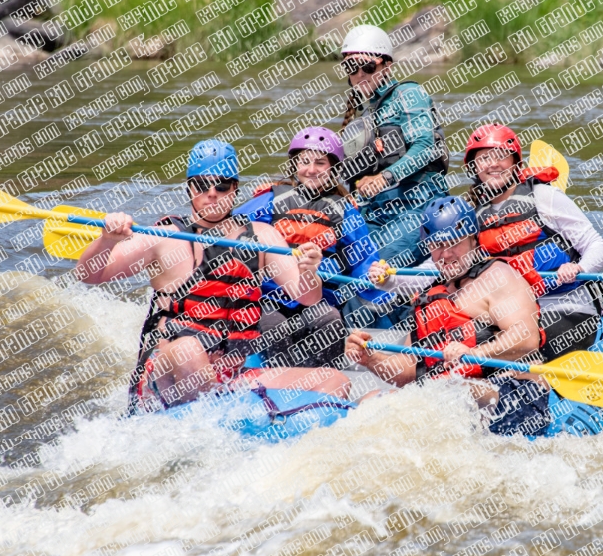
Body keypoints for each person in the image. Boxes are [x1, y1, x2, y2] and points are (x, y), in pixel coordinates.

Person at [75, 139, 351, 413]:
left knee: (335, 382)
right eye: (201, 184)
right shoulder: (165, 236)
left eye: (221, 185)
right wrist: (106, 240)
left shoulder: (260, 236)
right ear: (189, 188)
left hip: (229, 376)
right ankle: (228, 415)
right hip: (168, 368)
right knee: (189, 352)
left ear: (234, 189)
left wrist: (309, 270)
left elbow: (308, 296)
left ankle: (251, 419)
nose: (211, 193)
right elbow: (89, 274)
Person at [345, 196, 553, 437]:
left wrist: (474, 354)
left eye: (455, 242)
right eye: (437, 245)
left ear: (474, 240)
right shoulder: (433, 294)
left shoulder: (498, 277)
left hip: (515, 395)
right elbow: (408, 371)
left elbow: (527, 339)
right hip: (449, 395)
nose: (446, 253)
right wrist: (369, 358)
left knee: (451, 391)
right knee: (372, 402)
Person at [232, 127, 389, 367]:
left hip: (319, 300)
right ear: (295, 163)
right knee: (274, 325)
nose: (312, 170)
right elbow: (232, 227)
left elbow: (362, 260)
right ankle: (276, 384)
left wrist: (376, 278)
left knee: (330, 320)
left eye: (320, 163)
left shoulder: (343, 210)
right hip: (272, 299)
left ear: (333, 168)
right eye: (305, 162)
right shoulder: (269, 200)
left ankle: (324, 387)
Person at [462, 123, 603, 356]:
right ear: (474, 167)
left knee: (533, 345)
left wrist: (578, 266)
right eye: (484, 158)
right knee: (468, 338)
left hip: (565, 306)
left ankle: (527, 381)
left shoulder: (544, 196)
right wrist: (389, 279)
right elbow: (447, 262)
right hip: (511, 316)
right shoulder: (474, 214)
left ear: (515, 163)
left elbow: (597, 245)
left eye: (501, 155)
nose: (492, 163)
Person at [337, 24, 450, 325]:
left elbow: (425, 148)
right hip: (373, 214)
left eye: (367, 67)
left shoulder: (408, 94)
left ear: (386, 65)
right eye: (351, 68)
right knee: (332, 256)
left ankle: (394, 344)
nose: (359, 75)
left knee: (373, 271)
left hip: (415, 211)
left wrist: (383, 179)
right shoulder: (365, 114)